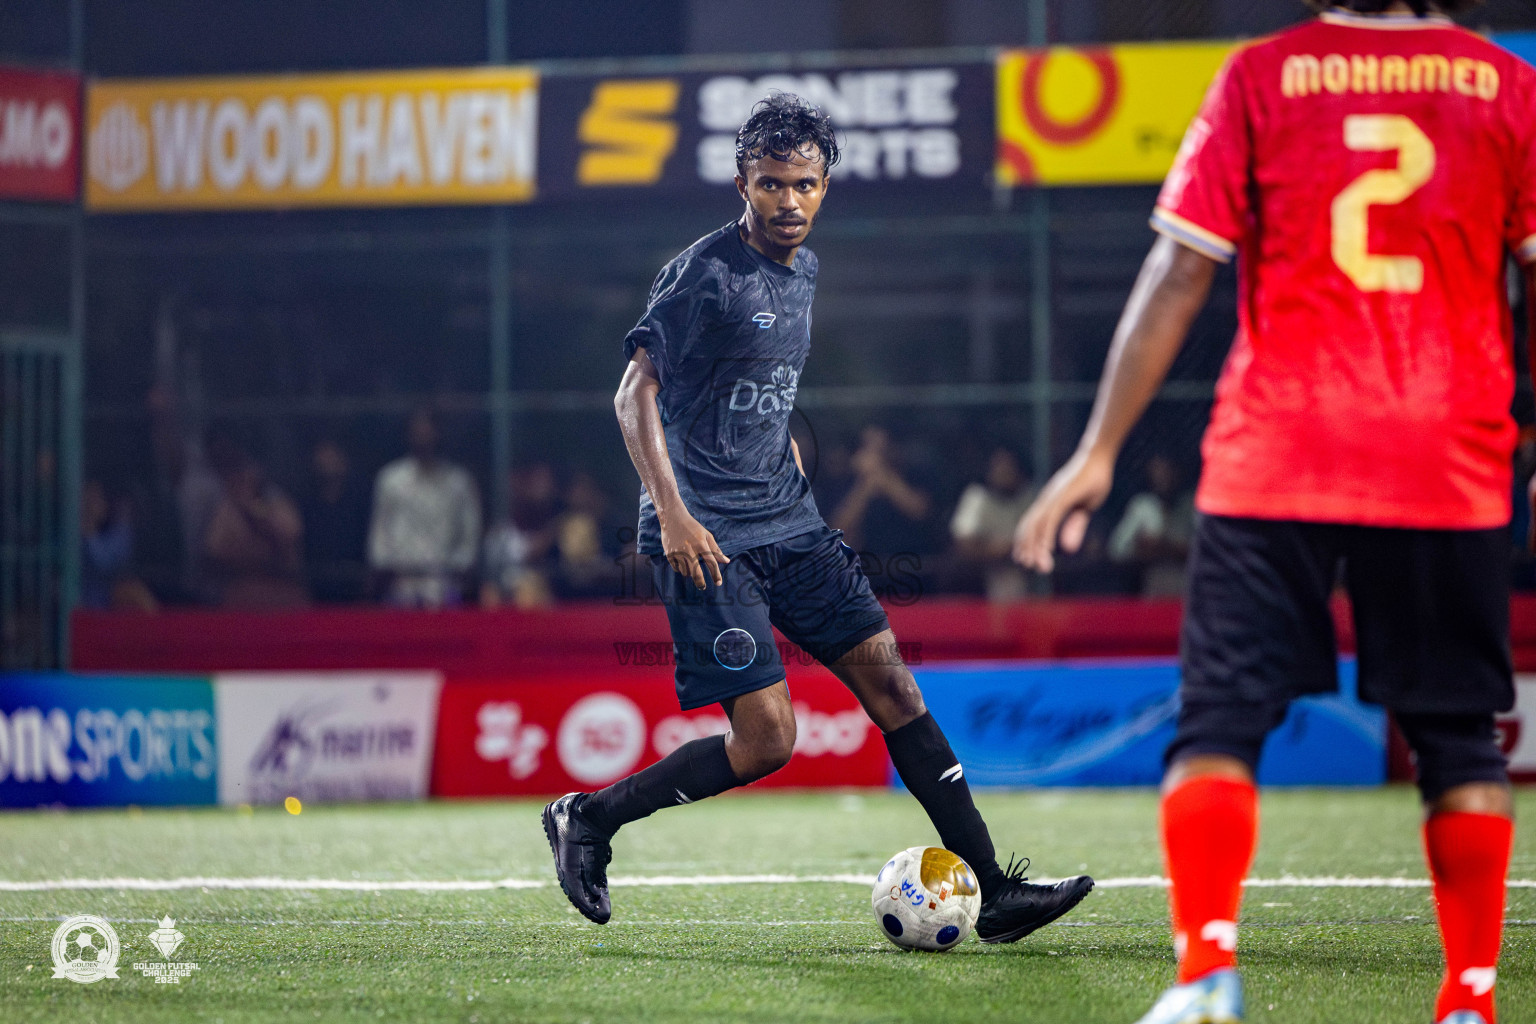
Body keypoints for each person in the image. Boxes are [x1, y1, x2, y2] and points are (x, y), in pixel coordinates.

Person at [1014, 3, 1532, 1022]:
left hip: (1280, 448)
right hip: (1450, 452)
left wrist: (1098, 452)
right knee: (1460, 741)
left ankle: (1207, 975)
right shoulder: (1509, 86)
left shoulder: (1262, 75)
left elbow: (1178, 274)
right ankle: (1469, 999)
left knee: (1218, 723)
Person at [543, 94, 1093, 941]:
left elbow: (751, 392)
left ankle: (995, 890)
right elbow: (634, 392)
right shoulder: (705, 274)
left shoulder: (805, 271)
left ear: (825, 185)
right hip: (708, 539)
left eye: (803, 184)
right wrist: (675, 513)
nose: (787, 202)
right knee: (767, 741)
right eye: (770, 184)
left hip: (791, 526)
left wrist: (781, 452)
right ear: (742, 183)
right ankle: (590, 817)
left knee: (896, 686)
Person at [367, 407, 482, 608]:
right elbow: (380, 535)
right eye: (417, 432)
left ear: (438, 433)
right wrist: (385, 570)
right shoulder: (391, 479)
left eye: (427, 432)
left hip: (444, 593)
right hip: (400, 591)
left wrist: (455, 572)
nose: (422, 438)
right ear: (408, 434)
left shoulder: (459, 482)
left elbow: (469, 539)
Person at [950, 446, 1036, 602]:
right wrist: (995, 550)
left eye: (1008, 467)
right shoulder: (977, 497)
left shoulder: (1030, 496)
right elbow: (963, 545)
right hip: (981, 587)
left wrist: (1010, 547)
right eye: (998, 466)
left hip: (1030, 588)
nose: (1003, 472)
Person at [1106, 454, 1194, 597]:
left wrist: (1168, 547)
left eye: (1167, 470)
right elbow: (1116, 549)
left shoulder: (1190, 504)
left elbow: (1202, 548)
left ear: (1176, 472)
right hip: (1152, 582)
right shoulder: (1142, 506)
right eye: (1158, 470)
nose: (1163, 476)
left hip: (1185, 582)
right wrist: (1138, 546)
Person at [300, 438, 369, 603]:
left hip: (354, 584)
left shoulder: (360, 503)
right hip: (317, 585)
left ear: (343, 461)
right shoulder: (306, 504)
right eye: (322, 455)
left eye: (331, 456)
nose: (326, 461)